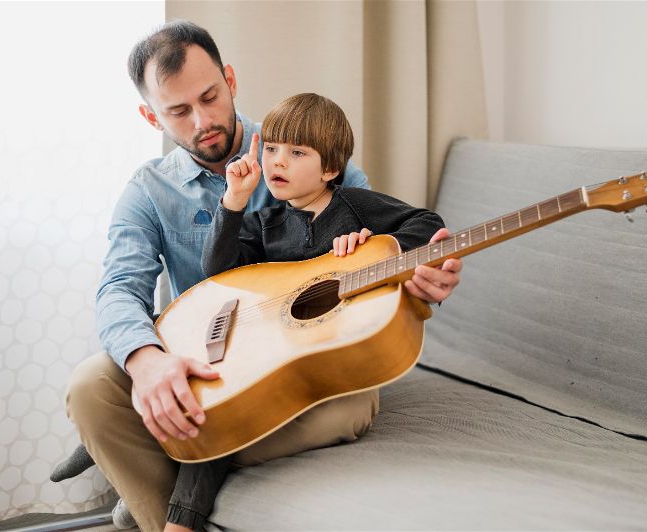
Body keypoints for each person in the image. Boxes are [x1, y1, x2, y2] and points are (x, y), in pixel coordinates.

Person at [61, 20, 463, 531]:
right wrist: (146, 362)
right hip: (210, 361)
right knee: (89, 387)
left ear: (230, 79)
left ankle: (156, 482)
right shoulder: (147, 191)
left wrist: (420, 278)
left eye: (210, 96)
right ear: (150, 117)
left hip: (316, 354)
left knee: (346, 411)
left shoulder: (307, 146)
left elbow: (378, 244)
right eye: (179, 111)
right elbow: (119, 289)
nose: (203, 119)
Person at [163, 92, 445, 531]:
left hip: (338, 366)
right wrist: (234, 200)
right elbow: (218, 273)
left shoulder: (355, 205)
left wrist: (372, 253)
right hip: (271, 356)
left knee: (226, 424)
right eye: (272, 149)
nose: (278, 161)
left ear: (330, 169)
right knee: (221, 409)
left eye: (297, 152)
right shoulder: (264, 222)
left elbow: (426, 223)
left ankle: (176, 498)